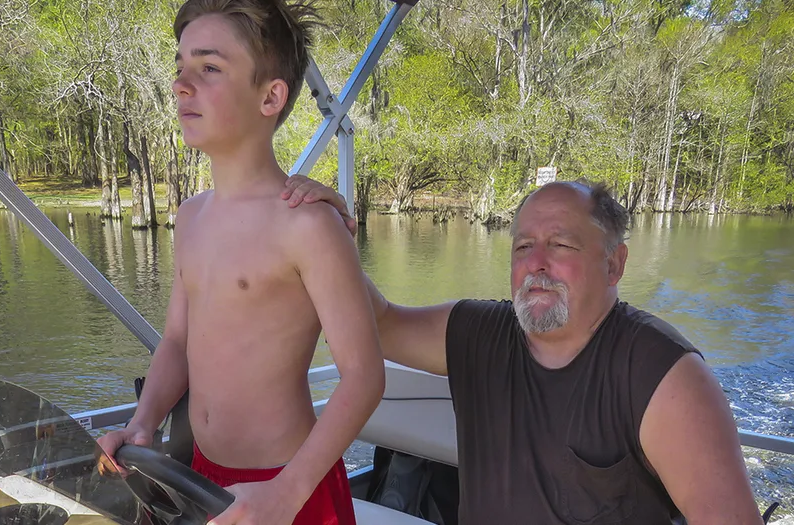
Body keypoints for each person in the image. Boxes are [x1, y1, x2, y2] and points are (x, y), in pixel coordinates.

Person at [281, 175, 764, 524]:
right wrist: (327, 237)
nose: (536, 264)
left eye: (561, 245)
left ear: (614, 265)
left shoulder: (663, 375)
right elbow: (380, 323)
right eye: (522, 247)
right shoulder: (479, 334)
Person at [96, 0, 385, 525]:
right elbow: (179, 340)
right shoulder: (190, 216)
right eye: (180, 67)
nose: (182, 84)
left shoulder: (307, 225)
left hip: (289, 489)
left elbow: (365, 375)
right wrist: (143, 422)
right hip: (199, 476)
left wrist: (287, 493)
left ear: (270, 96)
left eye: (209, 68)